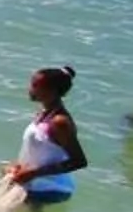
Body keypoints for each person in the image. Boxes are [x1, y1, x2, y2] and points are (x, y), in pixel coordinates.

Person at [6, 65, 87, 204]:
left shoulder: (59, 122)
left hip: (50, 190)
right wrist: (20, 166)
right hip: (34, 184)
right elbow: (42, 152)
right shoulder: (43, 113)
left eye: (36, 85)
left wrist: (33, 172)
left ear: (52, 91)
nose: (30, 88)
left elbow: (79, 161)